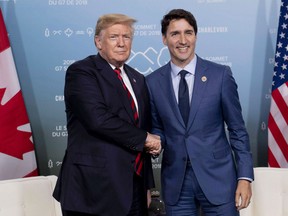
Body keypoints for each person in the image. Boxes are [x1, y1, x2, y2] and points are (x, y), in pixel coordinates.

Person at [146, 9, 254, 216]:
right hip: (177, 185)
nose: (182, 40)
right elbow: (158, 128)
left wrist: (244, 177)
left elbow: (238, 129)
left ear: (196, 36)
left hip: (219, 182)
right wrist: (153, 142)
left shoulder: (220, 75)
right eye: (175, 33)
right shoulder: (152, 82)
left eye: (188, 32)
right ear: (164, 38)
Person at [53, 13, 161, 216]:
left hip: (133, 189)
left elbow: (141, 129)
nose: (121, 43)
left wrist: (147, 186)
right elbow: (98, 119)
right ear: (98, 42)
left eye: (126, 37)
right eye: (114, 37)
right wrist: (146, 139)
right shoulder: (82, 72)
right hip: (92, 191)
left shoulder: (138, 79)